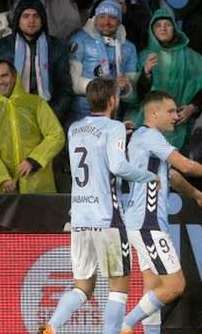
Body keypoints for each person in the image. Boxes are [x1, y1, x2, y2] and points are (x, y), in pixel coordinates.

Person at [38, 78, 159, 334]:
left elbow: (93, 145)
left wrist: (117, 132)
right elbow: (118, 166)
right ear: (113, 100)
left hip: (79, 220)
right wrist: (149, 176)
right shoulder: (113, 128)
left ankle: (52, 326)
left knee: (82, 287)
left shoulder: (74, 128)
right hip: (107, 220)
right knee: (118, 289)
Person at [119, 90, 202, 334]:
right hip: (148, 224)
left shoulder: (143, 138)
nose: (176, 116)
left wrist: (198, 196)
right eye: (170, 111)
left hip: (139, 222)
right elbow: (185, 166)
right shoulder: (150, 136)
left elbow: (173, 176)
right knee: (175, 285)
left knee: (154, 286)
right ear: (152, 113)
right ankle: (125, 324)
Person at [0, 61, 65, 194]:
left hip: (38, 187)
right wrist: (1, 177)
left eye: (4, 76)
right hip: (5, 190)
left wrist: (34, 160)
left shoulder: (36, 103)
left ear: (14, 76)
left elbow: (56, 135)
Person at [0, 0, 73, 121]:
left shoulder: (56, 46)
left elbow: (64, 88)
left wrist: (51, 116)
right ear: (17, 20)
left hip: (47, 113)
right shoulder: (0, 47)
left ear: (43, 20)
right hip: (9, 114)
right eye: (26, 16)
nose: (31, 20)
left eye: (36, 16)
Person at [135, 9, 202, 148]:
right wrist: (146, 73)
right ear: (152, 31)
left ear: (175, 28)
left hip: (179, 123)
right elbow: (138, 95)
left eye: (168, 24)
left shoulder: (191, 57)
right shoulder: (144, 56)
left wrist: (192, 108)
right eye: (158, 25)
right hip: (150, 124)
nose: (163, 28)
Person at [68, 0, 139, 123]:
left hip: (113, 115)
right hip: (82, 114)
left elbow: (134, 94)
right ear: (95, 19)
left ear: (119, 22)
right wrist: (102, 88)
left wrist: (125, 87)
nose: (106, 22)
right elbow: (72, 82)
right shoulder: (79, 40)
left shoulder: (129, 48)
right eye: (102, 17)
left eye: (112, 17)